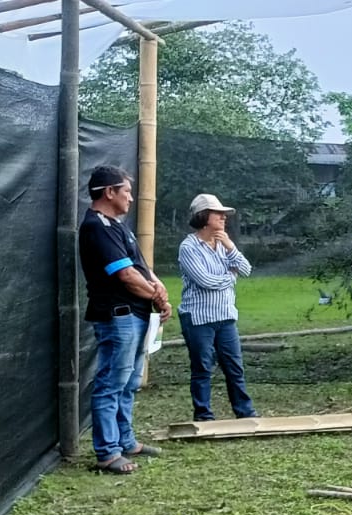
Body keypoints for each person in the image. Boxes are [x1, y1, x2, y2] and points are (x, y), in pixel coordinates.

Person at [78, 165, 170, 474]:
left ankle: (126, 441)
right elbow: (126, 276)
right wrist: (157, 297)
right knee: (111, 383)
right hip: (118, 316)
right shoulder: (97, 227)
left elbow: (141, 268)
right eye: (126, 191)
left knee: (128, 382)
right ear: (109, 192)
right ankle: (107, 453)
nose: (130, 198)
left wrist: (159, 289)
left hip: (137, 314)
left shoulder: (117, 226)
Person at [177, 193, 258, 421]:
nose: (224, 218)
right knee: (202, 368)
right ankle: (203, 416)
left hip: (225, 316)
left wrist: (231, 246)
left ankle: (245, 413)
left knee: (234, 367)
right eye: (218, 214)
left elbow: (246, 270)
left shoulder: (223, 244)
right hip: (198, 318)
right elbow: (205, 281)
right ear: (203, 216)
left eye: (224, 214)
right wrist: (230, 277)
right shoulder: (188, 247)